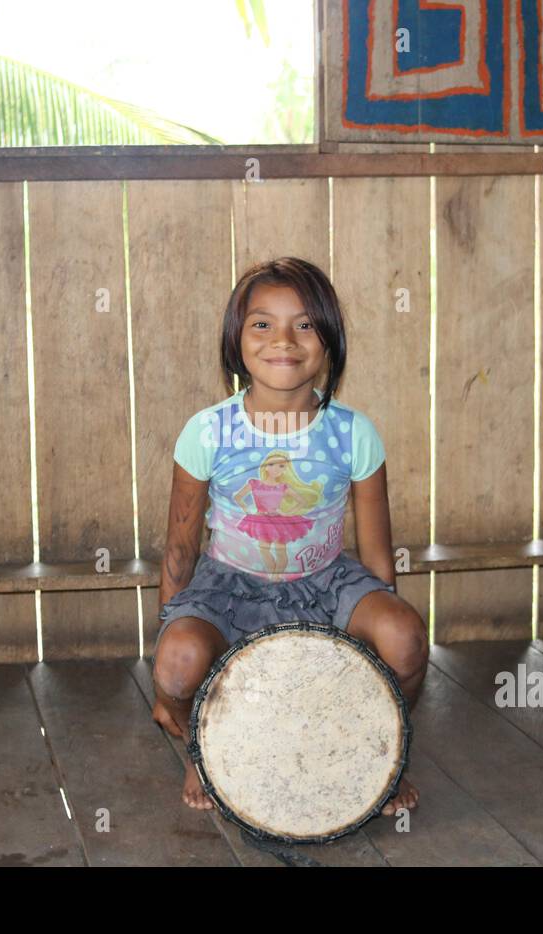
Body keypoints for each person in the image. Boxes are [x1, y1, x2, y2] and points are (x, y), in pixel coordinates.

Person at [151, 256, 428, 815]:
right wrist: (165, 657)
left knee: (403, 636)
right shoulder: (208, 431)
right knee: (178, 662)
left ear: (329, 340)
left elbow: (376, 554)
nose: (284, 339)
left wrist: (383, 623)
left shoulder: (353, 432)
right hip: (229, 585)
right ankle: (203, 748)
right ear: (237, 340)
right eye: (262, 324)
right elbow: (181, 548)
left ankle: (381, 752)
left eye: (304, 324)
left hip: (324, 582)